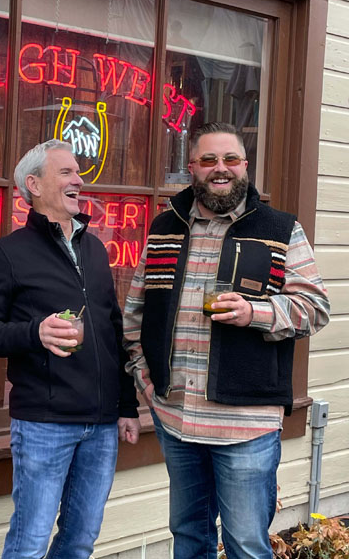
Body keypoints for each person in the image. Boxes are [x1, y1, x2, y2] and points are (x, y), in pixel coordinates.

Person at [123, 122, 330, 559]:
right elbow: (135, 316)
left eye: (230, 159)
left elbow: (315, 308)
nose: (221, 169)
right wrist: (148, 384)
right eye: (209, 160)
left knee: (245, 546)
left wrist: (255, 312)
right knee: (189, 537)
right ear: (192, 167)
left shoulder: (280, 229)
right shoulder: (165, 228)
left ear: (245, 166)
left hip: (246, 424)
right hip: (176, 419)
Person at [0, 139, 141, 559]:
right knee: (29, 544)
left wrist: (127, 405)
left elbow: (112, 331)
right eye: (66, 172)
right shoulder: (8, 253)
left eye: (78, 172)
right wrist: (34, 333)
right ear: (35, 185)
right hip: (44, 424)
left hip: (100, 425)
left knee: (79, 543)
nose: (79, 180)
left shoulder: (95, 249)